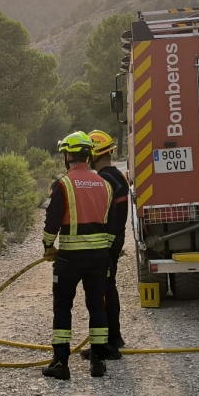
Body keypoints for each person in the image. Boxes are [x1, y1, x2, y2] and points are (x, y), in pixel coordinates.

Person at [41, 131, 114, 380]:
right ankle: (98, 361)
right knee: (97, 306)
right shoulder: (104, 184)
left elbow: (52, 221)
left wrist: (48, 246)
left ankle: (61, 363)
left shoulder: (63, 184)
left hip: (69, 259)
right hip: (99, 258)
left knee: (63, 306)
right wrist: (105, 251)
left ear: (67, 156)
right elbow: (112, 225)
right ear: (89, 155)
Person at [79, 129, 129, 361]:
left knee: (102, 291)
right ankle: (114, 337)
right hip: (114, 241)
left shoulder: (104, 180)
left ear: (94, 155)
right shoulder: (117, 176)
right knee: (109, 288)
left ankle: (107, 345)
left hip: (106, 244)